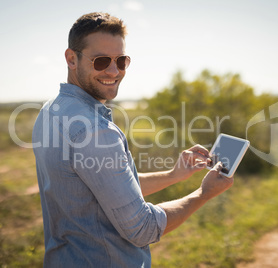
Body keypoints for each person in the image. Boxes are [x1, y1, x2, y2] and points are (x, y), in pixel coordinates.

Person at [32, 12, 233, 268]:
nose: (114, 71)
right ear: (72, 59)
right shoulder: (95, 130)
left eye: (122, 61)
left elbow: (107, 191)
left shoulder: (49, 112)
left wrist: (174, 175)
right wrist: (203, 194)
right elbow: (142, 229)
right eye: (101, 61)